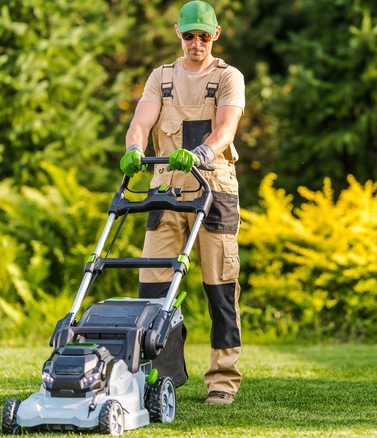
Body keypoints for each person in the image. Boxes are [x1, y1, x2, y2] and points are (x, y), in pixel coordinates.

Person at [119, 0, 245, 405]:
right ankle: (162, 376)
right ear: (178, 32)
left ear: (216, 35)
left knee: (219, 290)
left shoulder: (229, 77)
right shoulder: (162, 77)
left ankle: (222, 381)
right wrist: (135, 148)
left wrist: (202, 153)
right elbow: (141, 120)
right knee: (153, 290)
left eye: (203, 36)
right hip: (166, 190)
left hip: (214, 190)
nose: (196, 43)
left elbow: (226, 127)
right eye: (189, 35)